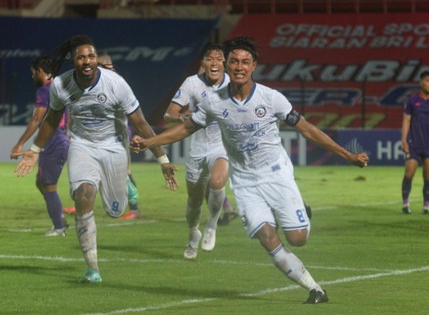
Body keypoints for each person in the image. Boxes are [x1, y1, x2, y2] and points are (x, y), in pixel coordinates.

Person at [130, 36, 369, 304]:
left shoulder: (271, 98)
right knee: (266, 237)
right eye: (234, 61)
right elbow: (186, 127)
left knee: (297, 238)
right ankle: (315, 289)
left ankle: (299, 207)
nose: (239, 66)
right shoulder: (214, 101)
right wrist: (149, 142)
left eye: (245, 62)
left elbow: (307, 129)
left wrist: (347, 155)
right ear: (227, 66)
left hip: (276, 173)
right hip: (244, 182)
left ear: (254, 65)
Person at [14, 35, 178, 284]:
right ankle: (93, 269)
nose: (87, 61)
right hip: (82, 146)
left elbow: (141, 123)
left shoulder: (116, 84)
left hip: (114, 146)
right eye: (81, 57)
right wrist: (34, 149)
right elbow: (50, 120)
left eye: (91, 56)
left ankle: (123, 182)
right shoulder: (61, 85)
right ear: (74, 61)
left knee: (116, 210)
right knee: (83, 196)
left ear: (96, 59)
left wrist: (163, 159)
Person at [164, 42, 237, 259]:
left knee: (217, 182)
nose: (214, 62)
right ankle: (193, 233)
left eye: (218, 58)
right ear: (203, 63)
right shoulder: (192, 83)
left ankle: (212, 224)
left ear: (224, 62)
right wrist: (180, 116)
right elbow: (170, 112)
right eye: (209, 58)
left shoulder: (234, 83)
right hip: (197, 147)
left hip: (221, 145)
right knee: (194, 201)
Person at [10, 56, 70, 236]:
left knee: (49, 185)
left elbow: (37, 119)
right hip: (56, 138)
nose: (32, 77)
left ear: (41, 72)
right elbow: (69, 113)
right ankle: (59, 219)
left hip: (52, 140)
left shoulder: (45, 90)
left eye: (33, 73)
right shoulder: (59, 88)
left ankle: (59, 227)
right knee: (40, 182)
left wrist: (19, 143)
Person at [97, 51, 141, 220]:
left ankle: (134, 208)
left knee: (125, 171)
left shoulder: (117, 83)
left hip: (118, 133)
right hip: (104, 134)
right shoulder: (101, 82)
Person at [400, 71, 429, 215]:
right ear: (421, 83)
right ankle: (405, 204)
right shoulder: (413, 101)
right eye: (428, 81)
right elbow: (406, 120)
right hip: (414, 143)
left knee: (428, 175)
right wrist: (404, 140)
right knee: (409, 173)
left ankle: (426, 207)